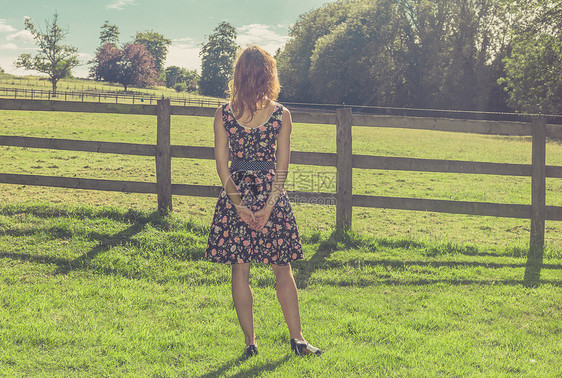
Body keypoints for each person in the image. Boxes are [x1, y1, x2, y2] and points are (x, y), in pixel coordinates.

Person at [204, 45, 323, 357]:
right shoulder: (282, 114)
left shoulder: (223, 114)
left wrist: (240, 205)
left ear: (239, 75)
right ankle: (297, 340)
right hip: (271, 191)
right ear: (268, 74)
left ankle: (250, 343)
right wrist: (268, 206)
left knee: (239, 268)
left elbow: (221, 166)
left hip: (237, 192)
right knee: (282, 268)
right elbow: (282, 168)